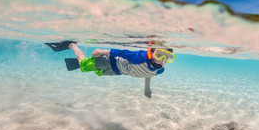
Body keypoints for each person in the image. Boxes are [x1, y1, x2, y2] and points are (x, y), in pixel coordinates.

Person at [45, 41, 175, 98]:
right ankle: (72, 45)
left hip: (118, 71)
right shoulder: (139, 57)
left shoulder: (160, 70)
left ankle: (90, 64)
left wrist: (147, 89)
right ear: (152, 53)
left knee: (98, 73)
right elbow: (123, 52)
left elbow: (149, 72)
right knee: (84, 66)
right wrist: (102, 52)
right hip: (112, 60)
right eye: (159, 55)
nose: (162, 60)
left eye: (167, 58)